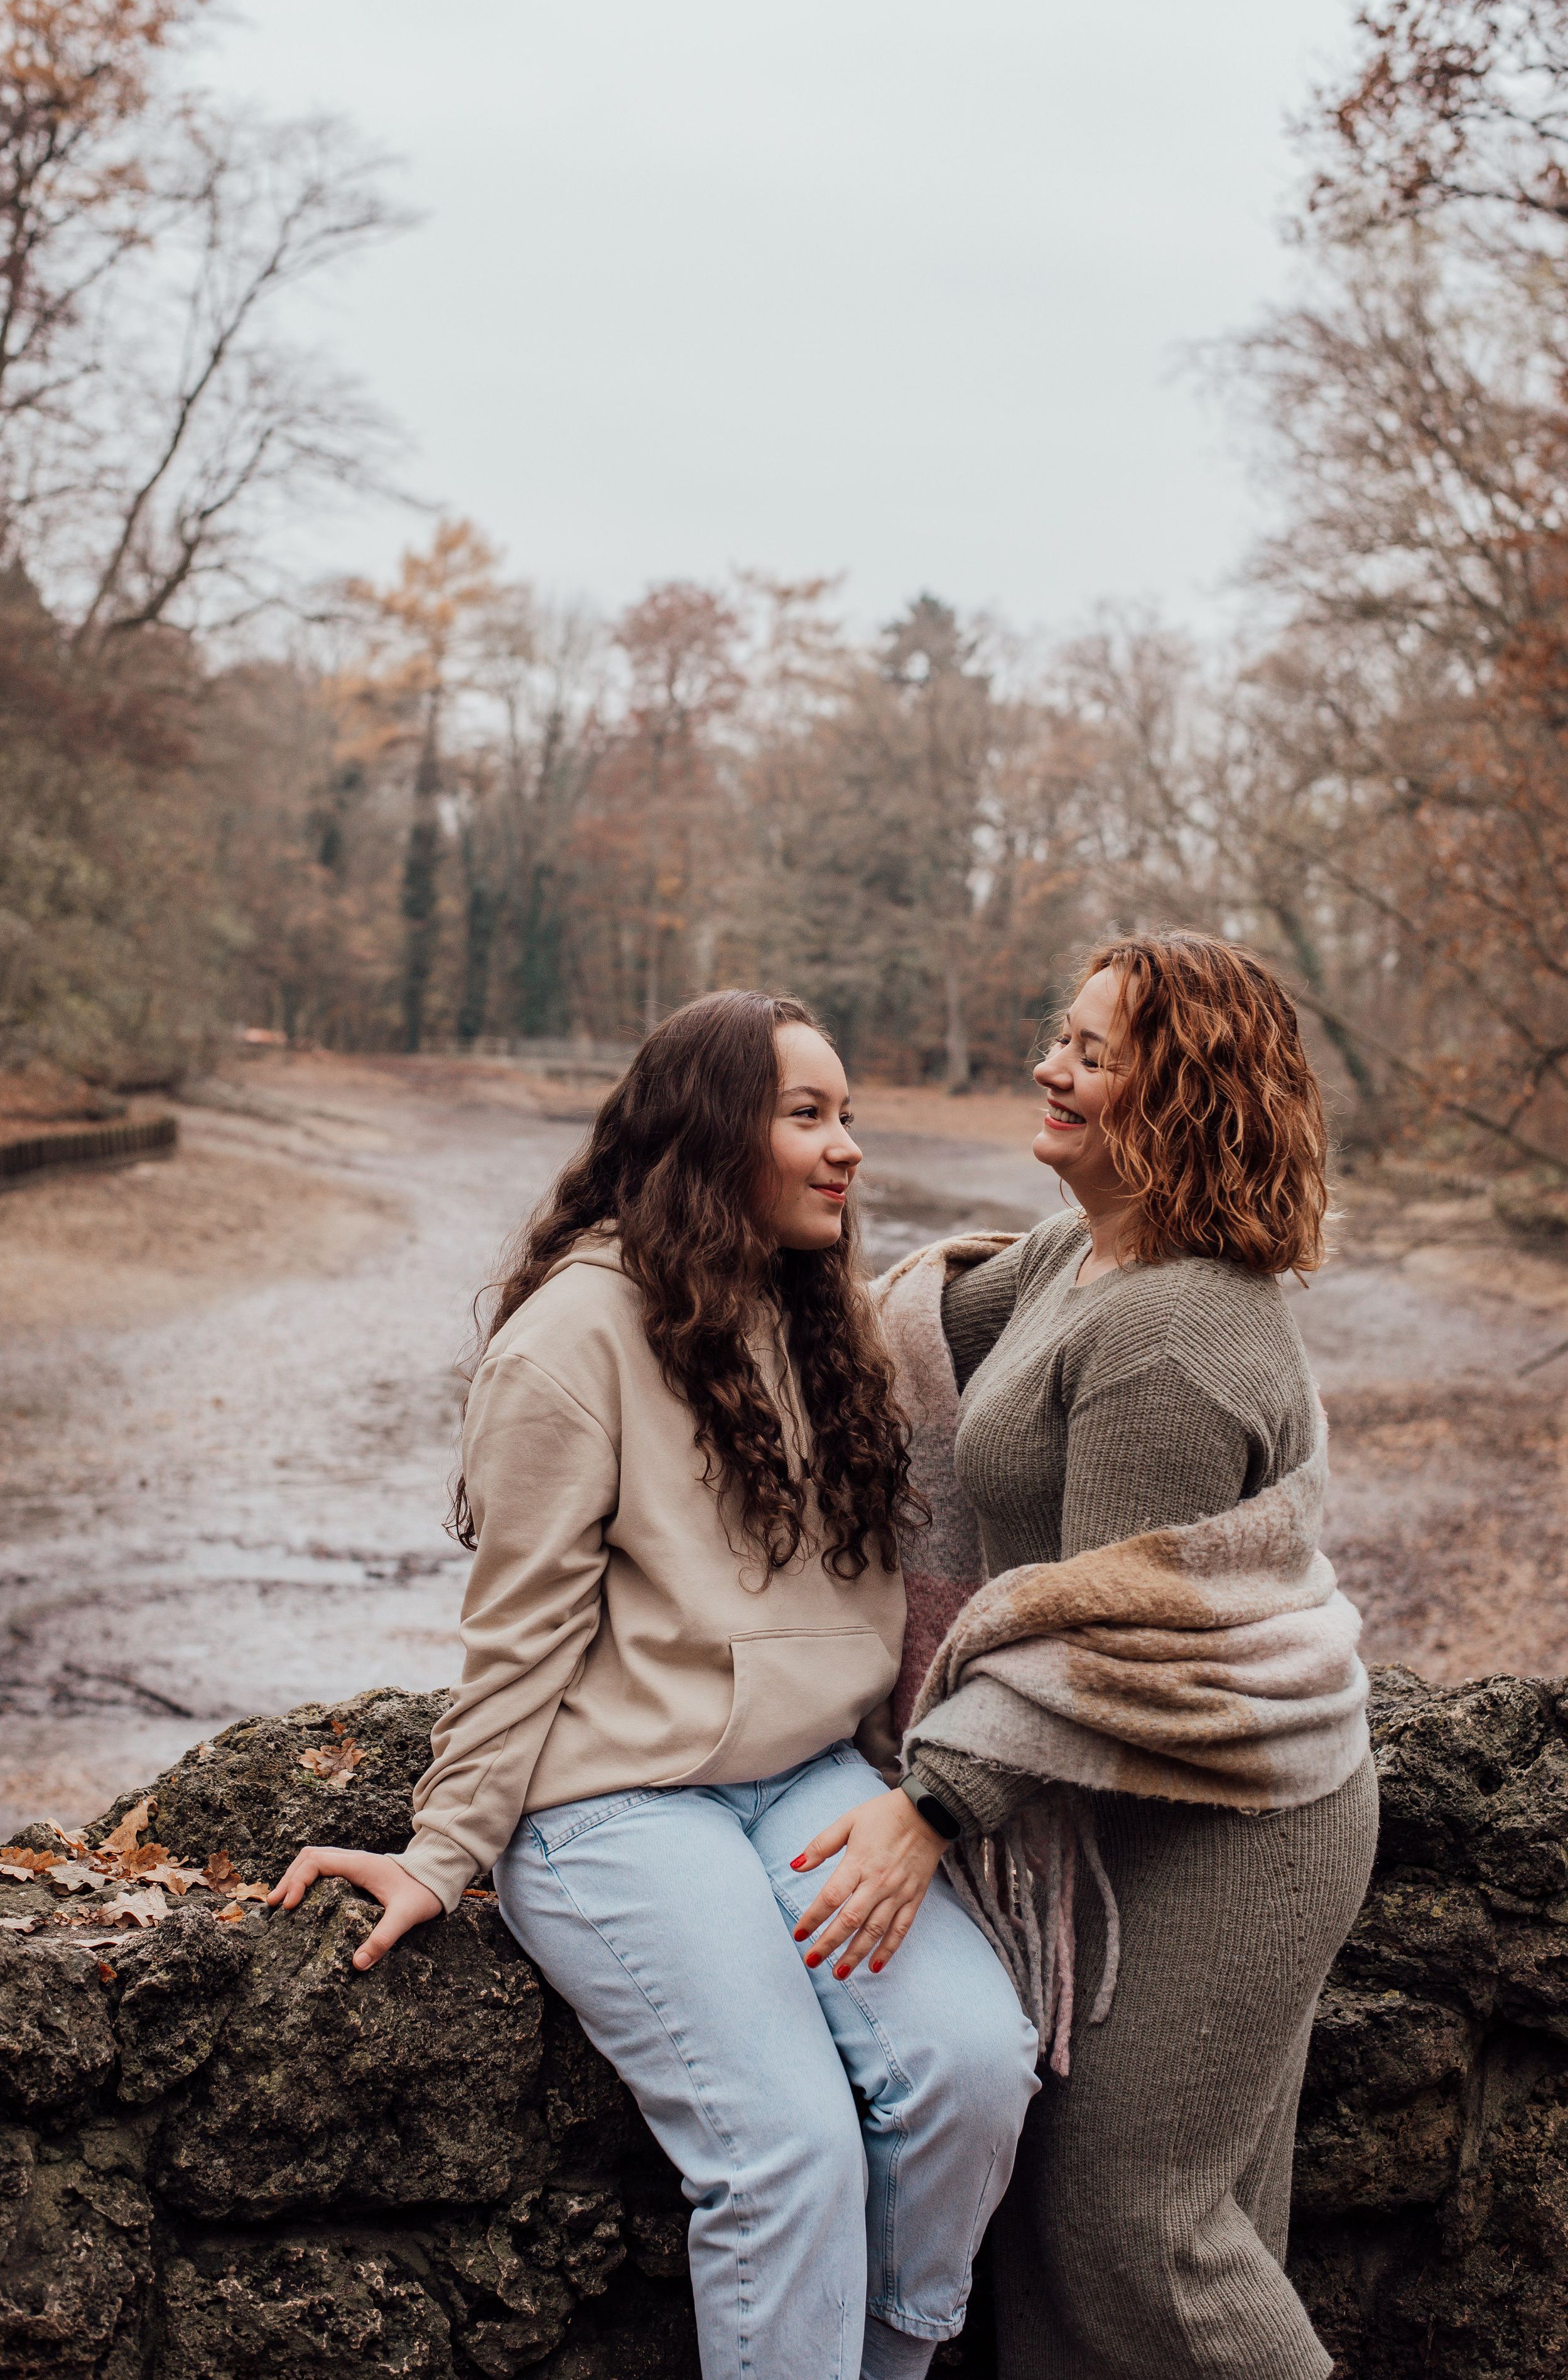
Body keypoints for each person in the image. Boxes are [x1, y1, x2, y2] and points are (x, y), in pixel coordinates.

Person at [271, 989, 1039, 2380]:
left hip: (806, 1782)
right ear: (705, 1136)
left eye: (848, 1114)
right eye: (806, 1115)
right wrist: (441, 1855)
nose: (846, 1147)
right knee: (787, 2152)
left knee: (975, 2070)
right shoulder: (570, 1340)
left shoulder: (825, 1320)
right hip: (613, 1805)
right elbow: (514, 1640)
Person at [877, 933, 1376, 2380]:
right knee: (1121, 2226)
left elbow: (1112, 1645)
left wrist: (926, 1806)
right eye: (1060, 1034)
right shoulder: (1076, 1259)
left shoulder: (1172, 1328)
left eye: (1091, 1055)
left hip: (1225, 1828)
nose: (1050, 1066)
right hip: (1163, 1793)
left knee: (1137, 2231)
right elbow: (881, 1338)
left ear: (1181, 1098)